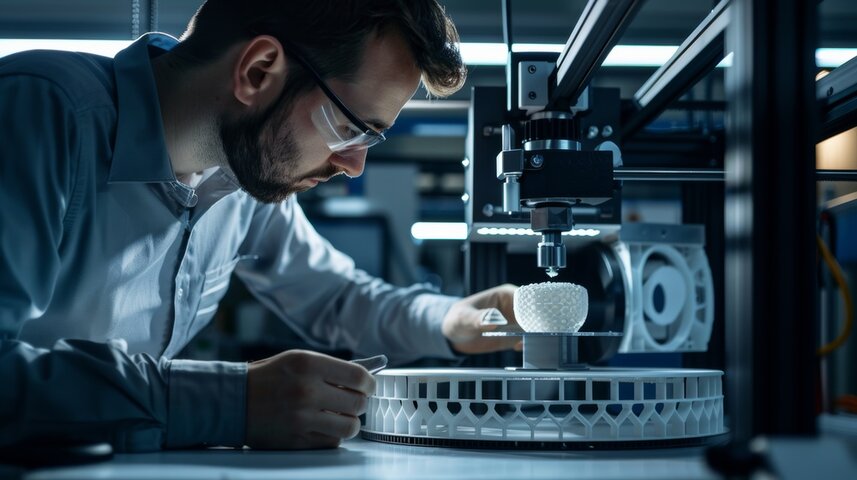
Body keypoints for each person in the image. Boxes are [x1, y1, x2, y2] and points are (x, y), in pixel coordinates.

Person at [0, 0, 519, 452]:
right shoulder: (40, 114)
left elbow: (333, 297)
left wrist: (451, 320)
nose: (353, 164)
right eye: (350, 128)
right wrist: (230, 403)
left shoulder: (239, 180)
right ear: (258, 70)